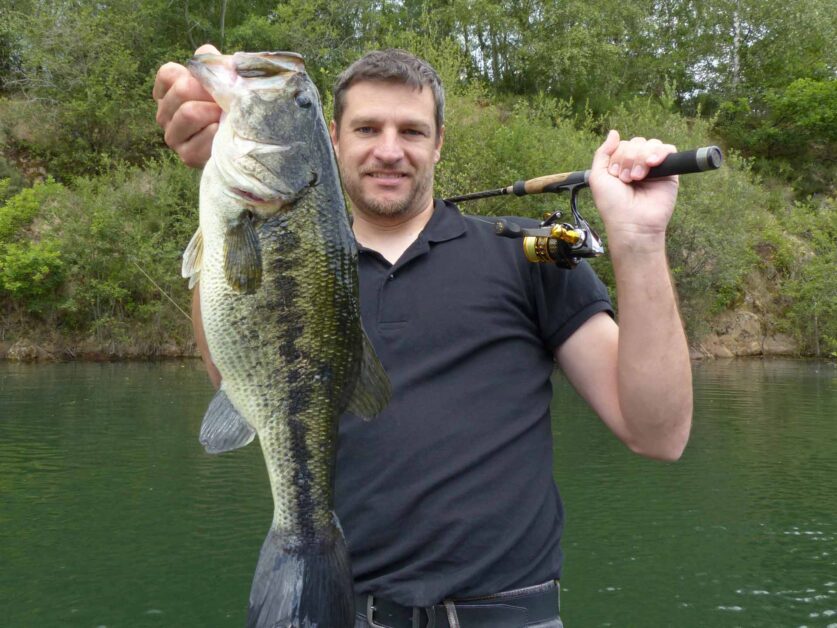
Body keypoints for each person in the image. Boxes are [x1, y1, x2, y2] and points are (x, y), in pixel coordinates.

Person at [153, 45, 692, 628]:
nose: (389, 149)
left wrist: (638, 239)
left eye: (412, 130)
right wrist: (220, 193)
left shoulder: (526, 255)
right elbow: (229, 373)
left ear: (439, 142)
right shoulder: (288, 255)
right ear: (332, 138)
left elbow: (658, 433)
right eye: (367, 128)